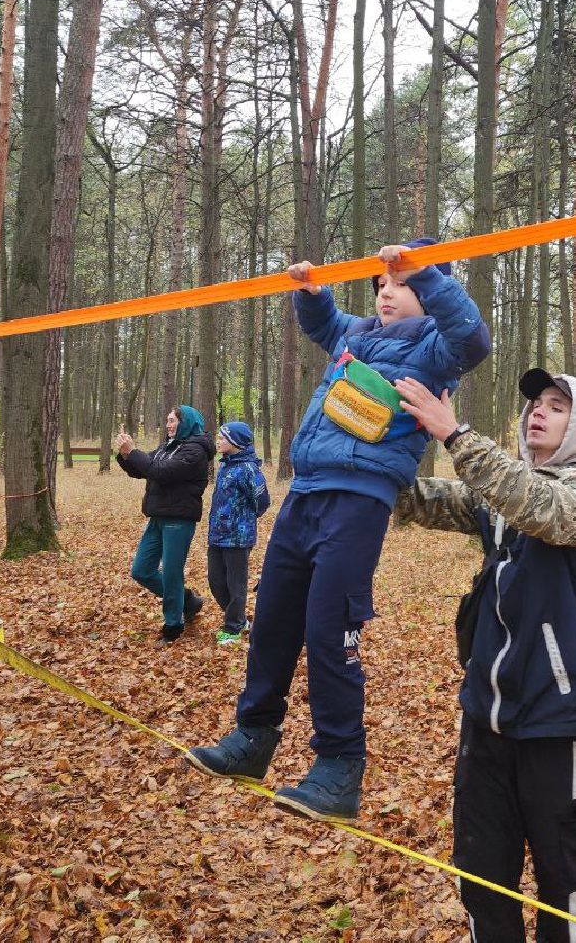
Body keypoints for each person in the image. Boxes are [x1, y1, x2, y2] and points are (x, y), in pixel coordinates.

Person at [188, 237, 491, 822]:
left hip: (360, 499)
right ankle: (253, 736)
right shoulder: (357, 336)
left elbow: (473, 337)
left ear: (427, 290)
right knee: (273, 616)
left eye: (398, 284)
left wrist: (423, 273)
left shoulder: (436, 345)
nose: (385, 293)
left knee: (330, 627)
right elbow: (325, 325)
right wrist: (311, 292)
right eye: (381, 284)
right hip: (305, 493)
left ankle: (339, 764)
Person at [392, 368, 576, 943]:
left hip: (553, 717)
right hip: (484, 716)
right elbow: (418, 498)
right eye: (535, 404)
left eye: (556, 406)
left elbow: (537, 505)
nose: (537, 412)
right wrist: (378, 446)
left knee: (562, 870)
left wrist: (456, 434)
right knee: (481, 869)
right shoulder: (496, 496)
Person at [115, 405, 215, 643]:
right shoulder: (169, 446)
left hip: (178, 520)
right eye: (167, 421)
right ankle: (187, 601)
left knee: (171, 574)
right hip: (157, 516)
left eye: (172, 421)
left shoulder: (195, 451)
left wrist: (133, 452)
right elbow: (143, 469)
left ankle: (173, 626)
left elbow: (161, 471)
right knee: (141, 570)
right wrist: (125, 454)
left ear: (187, 422)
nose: (168, 425)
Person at [207, 421, 271, 645]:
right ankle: (240, 619)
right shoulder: (225, 465)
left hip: (238, 538)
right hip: (216, 535)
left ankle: (233, 628)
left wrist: (241, 520)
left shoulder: (248, 469)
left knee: (236, 585)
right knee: (215, 582)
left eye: (223, 437)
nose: (219, 440)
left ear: (235, 442)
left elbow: (262, 502)